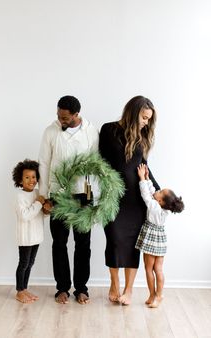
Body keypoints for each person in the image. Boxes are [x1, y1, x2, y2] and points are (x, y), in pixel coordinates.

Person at [99, 95, 159, 305]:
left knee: (133, 245)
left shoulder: (141, 138)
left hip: (136, 200)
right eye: (144, 117)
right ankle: (114, 284)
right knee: (114, 241)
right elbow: (101, 162)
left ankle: (129, 290)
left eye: (149, 119)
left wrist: (158, 193)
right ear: (134, 113)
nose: (146, 122)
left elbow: (144, 168)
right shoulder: (108, 130)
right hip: (113, 197)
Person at [38, 95, 99, 304]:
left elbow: (97, 165)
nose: (60, 119)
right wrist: (44, 197)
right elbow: (43, 164)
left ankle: (81, 288)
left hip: (85, 194)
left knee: (83, 244)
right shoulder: (50, 131)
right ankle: (62, 288)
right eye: (58, 115)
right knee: (59, 243)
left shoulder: (91, 131)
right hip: (58, 195)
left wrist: (96, 198)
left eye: (64, 117)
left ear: (76, 114)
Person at [135, 163, 184, 308]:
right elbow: (153, 193)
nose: (157, 190)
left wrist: (142, 178)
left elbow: (146, 195)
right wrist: (148, 179)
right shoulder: (165, 209)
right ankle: (159, 294)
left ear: (160, 201)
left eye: (160, 191)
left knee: (149, 269)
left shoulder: (154, 206)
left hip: (151, 238)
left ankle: (153, 295)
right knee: (158, 269)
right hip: (161, 239)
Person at [12, 159, 51, 303]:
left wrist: (47, 210)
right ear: (20, 180)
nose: (31, 180)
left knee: (30, 262)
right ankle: (19, 291)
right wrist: (38, 203)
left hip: (36, 235)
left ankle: (25, 288)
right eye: (27, 177)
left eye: (34, 177)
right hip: (25, 236)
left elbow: (40, 214)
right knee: (23, 263)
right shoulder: (19, 196)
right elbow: (25, 216)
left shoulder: (37, 193)